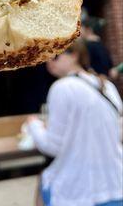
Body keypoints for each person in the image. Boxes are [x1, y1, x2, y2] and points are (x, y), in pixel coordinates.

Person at [27, 39, 123, 206]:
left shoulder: (62, 87)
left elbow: (52, 146)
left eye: (55, 56)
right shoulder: (107, 85)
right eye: (46, 57)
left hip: (79, 192)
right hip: (116, 184)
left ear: (74, 55)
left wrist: (33, 124)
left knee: (44, 178)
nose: (49, 61)